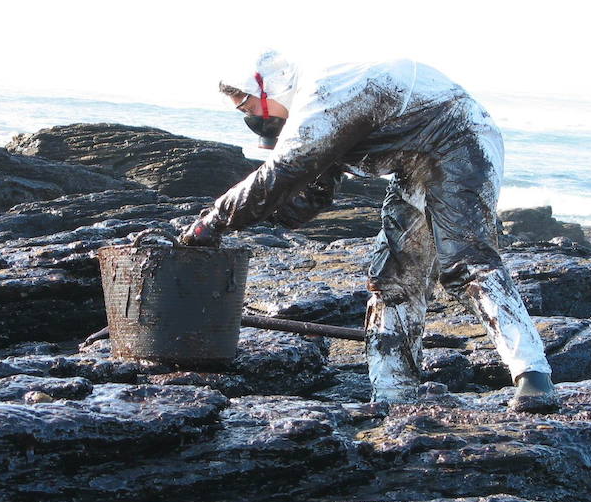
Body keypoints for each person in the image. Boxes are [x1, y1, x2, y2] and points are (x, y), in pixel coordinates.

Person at [181, 50, 557, 412]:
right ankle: (394, 393)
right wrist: (262, 219)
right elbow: (313, 191)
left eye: (248, 108)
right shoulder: (318, 112)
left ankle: (533, 374)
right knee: (391, 278)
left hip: (461, 141)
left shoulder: (323, 93)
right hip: (414, 161)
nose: (250, 118)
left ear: (269, 88)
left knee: (466, 264)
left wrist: (213, 221)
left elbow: (287, 169)